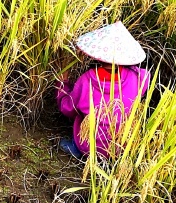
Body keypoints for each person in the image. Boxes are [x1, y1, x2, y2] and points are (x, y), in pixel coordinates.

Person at [56, 22, 150, 159]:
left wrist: (62, 84)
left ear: (98, 55)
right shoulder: (139, 77)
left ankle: (76, 148)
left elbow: (67, 108)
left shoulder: (87, 80)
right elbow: (142, 74)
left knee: (80, 113)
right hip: (120, 147)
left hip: (88, 146)